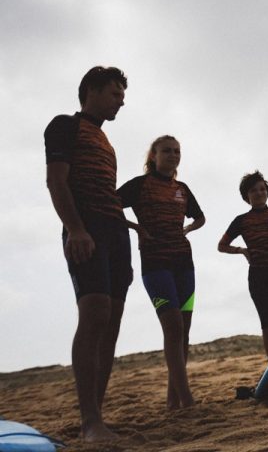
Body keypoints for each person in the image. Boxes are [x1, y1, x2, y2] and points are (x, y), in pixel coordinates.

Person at [44, 66, 132, 441]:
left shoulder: (106, 141)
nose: (121, 101)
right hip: (88, 230)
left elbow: (105, 190)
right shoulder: (65, 125)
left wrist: (129, 226)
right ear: (92, 90)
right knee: (94, 315)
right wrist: (76, 229)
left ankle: (98, 417)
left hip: (115, 233)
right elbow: (56, 180)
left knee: (110, 324)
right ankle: (89, 421)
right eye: (115, 93)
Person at [117, 135, 205, 409]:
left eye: (177, 151)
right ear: (153, 156)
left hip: (184, 264)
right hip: (156, 266)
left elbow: (200, 217)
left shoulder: (182, 189)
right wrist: (136, 228)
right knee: (174, 327)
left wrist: (188, 229)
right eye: (166, 151)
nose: (172, 155)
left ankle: (172, 401)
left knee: (185, 332)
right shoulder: (140, 185)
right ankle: (187, 401)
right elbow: (109, 204)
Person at [218, 171, 268, 363]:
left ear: (267, 192)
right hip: (258, 276)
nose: (259, 193)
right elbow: (221, 246)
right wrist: (242, 251)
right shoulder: (241, 221)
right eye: (254, 190)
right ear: (246, 195)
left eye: (262, 189)